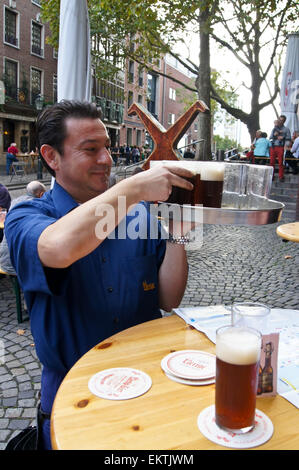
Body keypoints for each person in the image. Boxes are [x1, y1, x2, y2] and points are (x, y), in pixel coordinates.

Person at [5, 100, 194, 450]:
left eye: (106, 146)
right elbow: (58, 248)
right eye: (91, 149)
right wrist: (134, 188)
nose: (106, 159)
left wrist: (181, 231)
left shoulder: (139, 218)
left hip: (148, 387)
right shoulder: (26, 216)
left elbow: (170, 298)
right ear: (51, 156)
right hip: (73, 400)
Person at [0, 181, 46, 274]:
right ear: (41, 194)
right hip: (15, 264)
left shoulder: (15, 201)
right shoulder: (38, 205)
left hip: (3, 259)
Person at [269, 115, 291, 181]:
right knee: (271, 162)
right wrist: (274, 136)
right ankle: (271, 176)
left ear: (284, 121)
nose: (280, 121)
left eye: (282, 120)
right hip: (273, 147)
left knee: (281, 162)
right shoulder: (274, 128)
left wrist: (285, 143)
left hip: (281, 147)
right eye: (280, 120)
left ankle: (281, 176)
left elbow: (289, 139)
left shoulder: (286, 129)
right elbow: (270, 137)